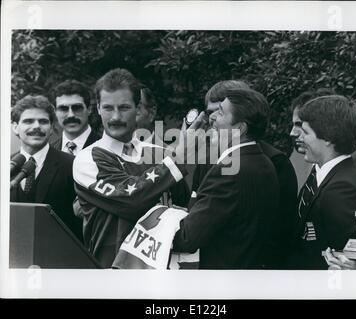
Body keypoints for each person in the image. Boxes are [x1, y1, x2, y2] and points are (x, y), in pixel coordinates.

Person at [72, 68, 191, 267]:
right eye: (108, 108)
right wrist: (176, 159)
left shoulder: (159, 153)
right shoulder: (88, 158)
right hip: (111, 272)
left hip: (160, 271)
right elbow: (132, 198)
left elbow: (183, 205)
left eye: (124, 107)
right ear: (98, 108)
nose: (116, 117)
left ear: (138, 108)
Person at [191, 80, 298, 268]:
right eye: (210, 112)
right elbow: (195, 204)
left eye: (221, 111)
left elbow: (279, 230)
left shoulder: (275, 161)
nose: (212, 119)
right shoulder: (206, 158)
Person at [173, 87, 280, 269]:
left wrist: (160, 217)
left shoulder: (228, 171)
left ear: (240, 128)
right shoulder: (263, 162)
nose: (212, 118)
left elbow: (187, 238)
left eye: (221, 113)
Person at [289, 95, 356, 269]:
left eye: (306, 132)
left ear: (328, 138)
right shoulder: (339, 177)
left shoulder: (341, 190)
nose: (300, 138)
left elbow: (342, 260)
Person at [10, 95, 83, 241]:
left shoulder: (73, 165)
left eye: (43, 121)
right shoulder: (7, 166)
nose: (36, 126)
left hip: (60, 256)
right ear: (15, 127)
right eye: (28, 121)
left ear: (51, 128)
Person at [50, 80, 101, 155]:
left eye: (77, 108)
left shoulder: (105, 149)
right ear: (55, 112)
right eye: (63, 109)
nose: (71, 115)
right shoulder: (48, 153)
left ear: (89, 109)